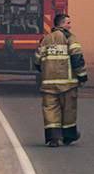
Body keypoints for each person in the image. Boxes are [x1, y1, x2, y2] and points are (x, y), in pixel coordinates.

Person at [33, 13, 87, 147]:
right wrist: (82, 76)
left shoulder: (45, 39)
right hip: (67, 84)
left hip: (48, 84)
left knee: (50, 110)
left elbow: (37, 61)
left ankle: (53, 139)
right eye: (68, 23)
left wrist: (46, 73)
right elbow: (77, 59)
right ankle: (68, 136)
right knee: (69, 110)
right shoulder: (70, 38)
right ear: (61, 24)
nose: (70, 25)